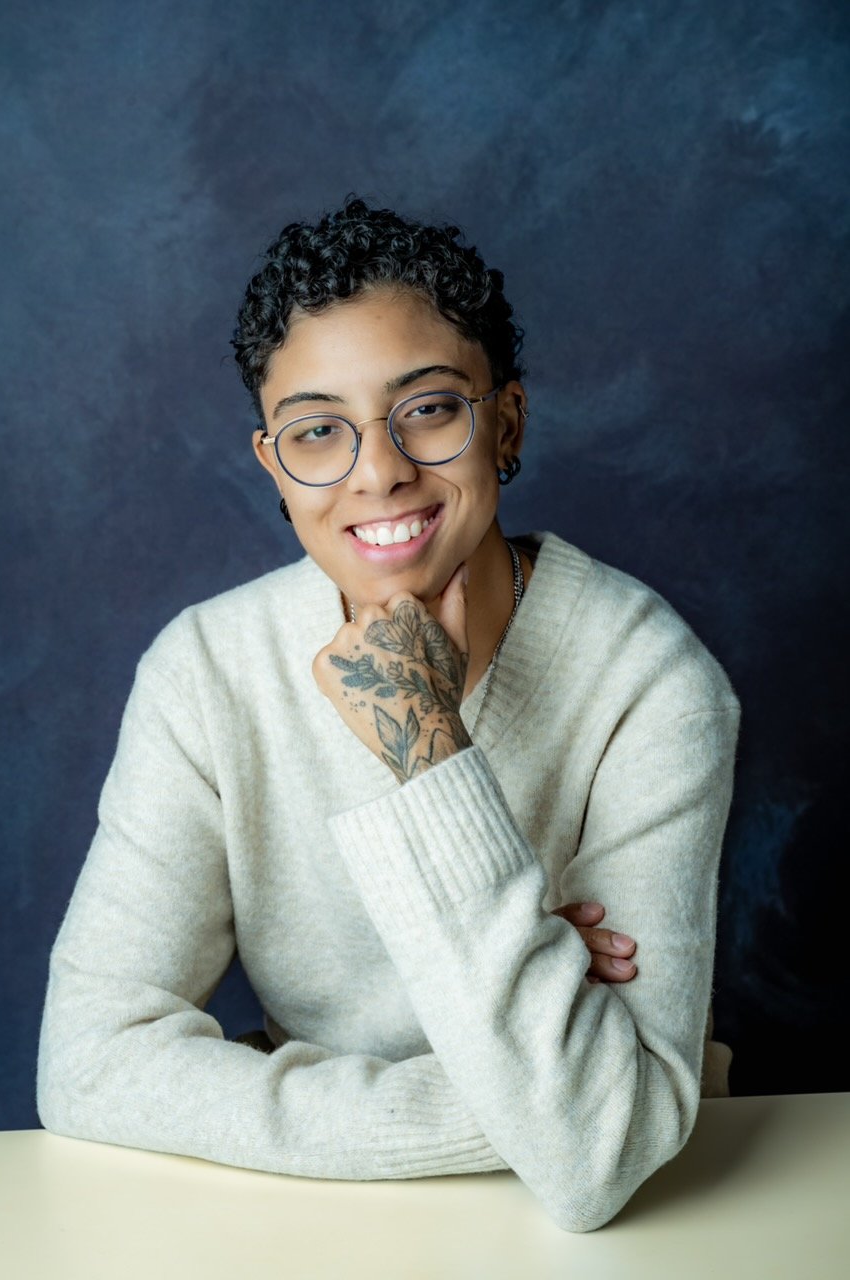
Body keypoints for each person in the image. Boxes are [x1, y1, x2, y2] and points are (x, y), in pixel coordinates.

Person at [37, 197, 740, 1233]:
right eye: (316, 430)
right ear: (272, 462)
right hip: (313, 1222)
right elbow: (92, 1060)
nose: (377, 471)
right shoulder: (206, 669)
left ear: (503, 421)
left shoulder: (651, 681)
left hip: (628, 1234)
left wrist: (427, 747)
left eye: (427, 408)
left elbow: (598, 1163)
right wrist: (541, 1099)